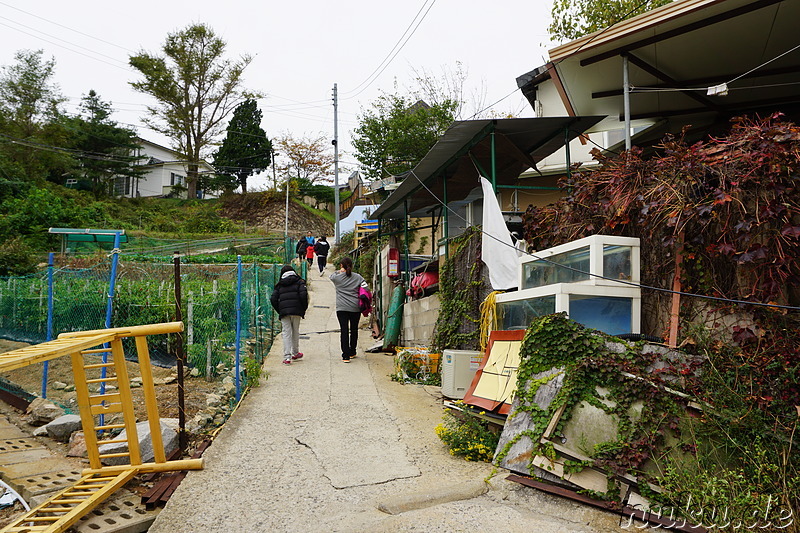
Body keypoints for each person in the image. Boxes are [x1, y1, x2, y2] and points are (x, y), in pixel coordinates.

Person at [329, 257, 367, 363]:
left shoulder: (337, 278)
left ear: (341, 266)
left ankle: (345, 356)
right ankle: (353, 351)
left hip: (342, 308)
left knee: (344, 330)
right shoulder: (358, 277)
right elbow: (366, 288)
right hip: (355, 307)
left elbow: (331, 276)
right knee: (354, 330)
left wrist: (339, 271)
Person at [270, 265, 308, 365]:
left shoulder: (279, 284)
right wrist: (303, 308)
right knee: (295, 331)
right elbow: (303, 295)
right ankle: (295, 352)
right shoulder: (300, 281)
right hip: (297, 311)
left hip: (284, 312)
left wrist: (280, 310)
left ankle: (287, 357)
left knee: (286, 333)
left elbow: (273, 299)